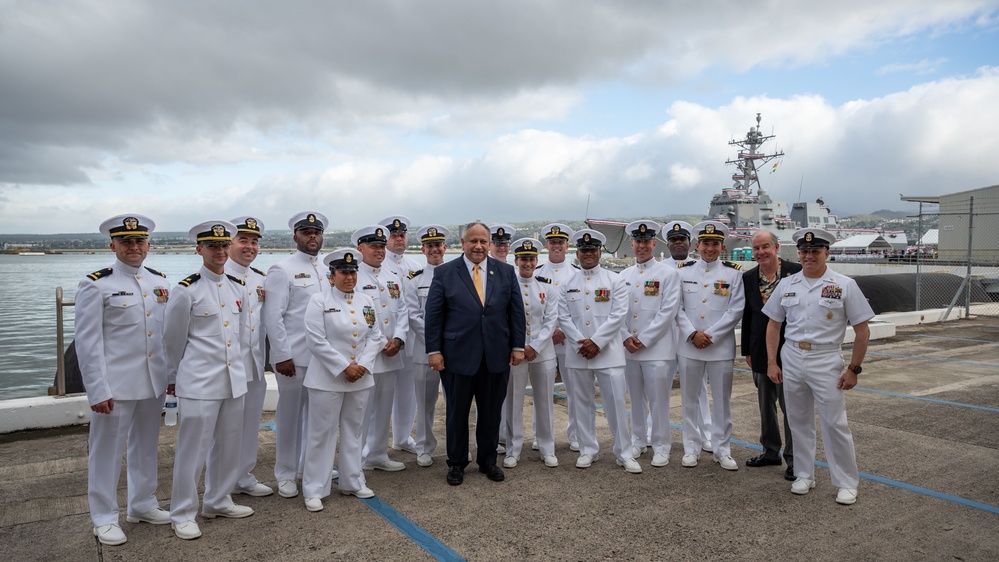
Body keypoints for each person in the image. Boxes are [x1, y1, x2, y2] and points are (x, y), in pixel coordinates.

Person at [76, 214, 171, 546]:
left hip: (153, 381)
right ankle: (103, 517)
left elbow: (164, 336)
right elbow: (88, 343)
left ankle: (142, 504)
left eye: (139, 241)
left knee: (146, 447)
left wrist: (170, 376)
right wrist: (97, 389)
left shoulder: (161, 282)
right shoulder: (96, 284)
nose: (134, 247)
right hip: (115, 385)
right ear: (113, 245)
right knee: (106, 452)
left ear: (148, 245)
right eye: (126, 242)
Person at [762, 227, 873, 505]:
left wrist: (853, 369)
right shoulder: (787, 285)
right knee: (797, 421)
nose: (809, 255)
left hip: (826, 359)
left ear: (827, 253)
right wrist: (772, 362)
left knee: (835, 423)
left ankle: (846, 482)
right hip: (792, 357)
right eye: (804, 251)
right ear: (798, 253)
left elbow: (862, 330)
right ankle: (803, 474)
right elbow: (774, 325)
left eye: (815, 251)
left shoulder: (845, 285)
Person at [164, 221, 252, 540]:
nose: (218, 251)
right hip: (199, 382)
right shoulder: (186, 289)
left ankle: (217, 500)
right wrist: (173, 380)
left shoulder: (236, 286)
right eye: (211, 246)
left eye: (222, 245)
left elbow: (240, 338)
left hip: (233, 380)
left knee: (229, 446)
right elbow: (172, 342)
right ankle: (183, 512)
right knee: (193, 451)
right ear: (199, 249)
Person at [424, 222, 526, 486]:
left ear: (489, 244)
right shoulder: (445, 273)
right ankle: (456, 463)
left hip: (495, 355)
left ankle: (488, 461)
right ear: (463, 243)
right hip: (457, 356)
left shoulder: (505, 271)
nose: (479, 246)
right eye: (473, 241)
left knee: (491, 412)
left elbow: (516, 312)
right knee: (457, 412)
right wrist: (434, 351)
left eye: (483, 241)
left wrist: (517, 346)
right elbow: (434, 316)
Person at [301, 248, 383, 512]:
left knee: (354, 430)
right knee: (321, 434)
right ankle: (315, 488)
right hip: (327, 378)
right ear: (331, 275)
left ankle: (352, 480)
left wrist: (363, 365)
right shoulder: (319, 301)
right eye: (343, 272)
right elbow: (316, 340)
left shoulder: (366, 300)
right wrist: (344, 366)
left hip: (360, 377)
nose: (349, 277)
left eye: (352, 272)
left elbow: (376, 336)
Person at [557, 229, 641, 474]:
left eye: (593, 249)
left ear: (600, 251)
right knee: (581, 404)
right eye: (584, 250)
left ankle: (624, 453)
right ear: (577, 252)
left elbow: (618, 315)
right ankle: (587, 449)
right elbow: (563, 317)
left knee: (615, 404)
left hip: (609, 353)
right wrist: (580, 343)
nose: (588, 254)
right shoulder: (567, 284)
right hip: (578, 353)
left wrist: (597, 342)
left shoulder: (615, 281)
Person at [263, 211, 329, 499]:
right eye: (306, 232)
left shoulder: (327, 270)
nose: (312, 236)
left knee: (317, 418)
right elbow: (273, 317)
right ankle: (285, 473)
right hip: (295, 358)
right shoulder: (282, 269)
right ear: (296, 237)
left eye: (316, 232)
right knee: (289, 417)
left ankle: (306, 467)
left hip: (323, 359)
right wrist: (281, 355)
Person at [675, 221, 745, 471]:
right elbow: (677, 308)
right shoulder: (683, 272)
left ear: (722, 246)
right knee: (689, 399)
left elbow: (735, 310)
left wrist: (710, 335)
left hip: (720, 347)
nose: (710, 248)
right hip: (689, 345)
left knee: (722, 401)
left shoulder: (733, 273)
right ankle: (691, 447)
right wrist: (693, 333)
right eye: (706, 243)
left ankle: (722, 449)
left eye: (715, 243)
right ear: (697, 245)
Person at [618, 220, 681, 468]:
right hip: (630, 350)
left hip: (656, 350)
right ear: (632, 244)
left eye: (646, 241)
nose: (642, 245)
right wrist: (625, 336)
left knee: (658, 400)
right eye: (638, 241)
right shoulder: (622, 276)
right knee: (635, 399)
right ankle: (638, 440)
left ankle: (662, 445)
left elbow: (668, 312)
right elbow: (618, 311)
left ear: (654, 243)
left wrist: (643, 339)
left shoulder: (669, 274)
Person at [220, 216, 274, 497]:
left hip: (254, 363)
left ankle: (244, 475)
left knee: (251, 422)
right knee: (225, 430)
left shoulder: (261, 279)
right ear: (229, 244)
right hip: (227, 367)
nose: (249, 246)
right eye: (243, 240)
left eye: (254, 242)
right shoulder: (217, 276)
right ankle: (221, 486)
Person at [741, 230, 801, 481]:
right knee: (766, 404)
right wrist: (746, 350)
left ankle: (795, 458)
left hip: (789, 347)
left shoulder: (796, 271)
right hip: (759, 351)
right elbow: (748, 315)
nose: (761, 252)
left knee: (791, 406)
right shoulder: (748, 277)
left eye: (765, 246)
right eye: (756, 248)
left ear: (776, 247)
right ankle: (770, 450)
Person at [352, 225, 409, 472]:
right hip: (366, 354)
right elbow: (353, 316)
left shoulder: (392, 274)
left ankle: (376, 453)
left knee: (384, 406)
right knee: (360, 412)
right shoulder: (353, 276)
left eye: (380, 245)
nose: (378, 250)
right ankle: (353, 460)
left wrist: (398, 338)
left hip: (391, 352)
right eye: (372, 246)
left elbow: (403, 309)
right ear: (359, 248)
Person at [500, 238, 559, 468]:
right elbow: (503, 321)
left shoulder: (547, 286)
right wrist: (519, 347)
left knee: (544, 402)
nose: (527, 263)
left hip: (542, 353)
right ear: (515, 260)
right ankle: (513, 449)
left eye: (531, 259)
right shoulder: (507, 287)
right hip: (516, 353)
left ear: (537, 261)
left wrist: (534, 346)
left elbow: (550, 320)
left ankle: (547, 448)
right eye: (523, 259)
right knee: (514, 402)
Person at [662, 220, 713, 453]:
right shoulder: (659, 268)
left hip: (690, 335)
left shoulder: (698, 267)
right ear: (667, 243)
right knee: (660, 387)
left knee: (698, 388)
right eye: (673, 239)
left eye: (682, 239)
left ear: (690, 243)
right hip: (663, 336)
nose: (678, 242)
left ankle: (706, 434)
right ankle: (655, 433)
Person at [402, 224, 450, 467]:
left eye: (438, 245)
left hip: (456, 350)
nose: (434, 249)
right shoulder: (415, 279)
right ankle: (424, 447)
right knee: (425, 402)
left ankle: (456, 446)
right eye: (429, 246)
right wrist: (435, 343)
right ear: (423, 249)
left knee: (457, 402)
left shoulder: (458, 274)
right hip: (425, 351)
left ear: (445, 247)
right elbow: (413, 316)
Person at [535, 223, 580, 451]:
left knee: (575, 390)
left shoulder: (577, 274)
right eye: (552, 242)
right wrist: (547, 333)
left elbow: (582, 310)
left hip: (569, 341)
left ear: (567, 244)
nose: (556, 246)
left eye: (560, 242)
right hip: (544, 343)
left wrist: (564, 330)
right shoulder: (536, 273)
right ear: (546, 245)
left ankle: (575, 435)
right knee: (541, 391)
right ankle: (542, 436)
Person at [379, 215, 422, 455]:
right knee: (381, 396)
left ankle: (403, 437)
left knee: (408, 392)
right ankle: (373, 445)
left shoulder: (415, 267)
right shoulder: (378, 266)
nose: (398, 238)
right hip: (386, 341)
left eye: (402, 235)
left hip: (412, 340)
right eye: (393, 235)